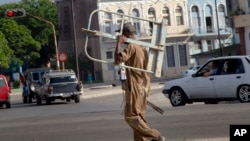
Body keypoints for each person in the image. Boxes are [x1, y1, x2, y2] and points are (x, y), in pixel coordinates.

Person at [114, 22, 165, 141]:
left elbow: (117, 60)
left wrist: (119, 43)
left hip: (136, 87)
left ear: (126, 34)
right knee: (139, 118)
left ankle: (155, 135)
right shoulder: (141, 47)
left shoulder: (131, 46)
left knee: (131, 116)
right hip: (143, 86)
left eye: (121, 34)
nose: (120, 36)